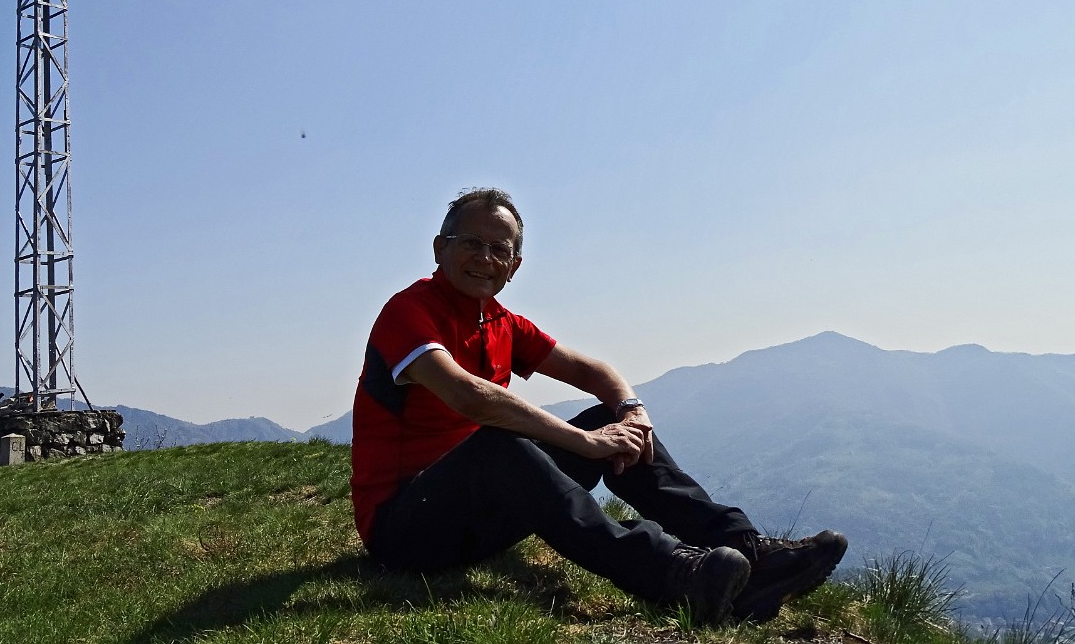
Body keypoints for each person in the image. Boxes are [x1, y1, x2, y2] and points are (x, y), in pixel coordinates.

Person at [350, 187, 847, 625]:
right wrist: (584, 443)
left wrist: (631, 411)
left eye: (499, 249)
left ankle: (749, 555)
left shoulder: (502, 323)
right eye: (470, 244)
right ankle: (676, 575)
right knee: (504, 443)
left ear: (514, 264)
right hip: (404, 530)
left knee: (612, 422)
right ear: (441, 249)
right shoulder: (409, 312)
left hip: (477, 514)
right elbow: (469, 396)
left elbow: (596, 373)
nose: (485, 257)